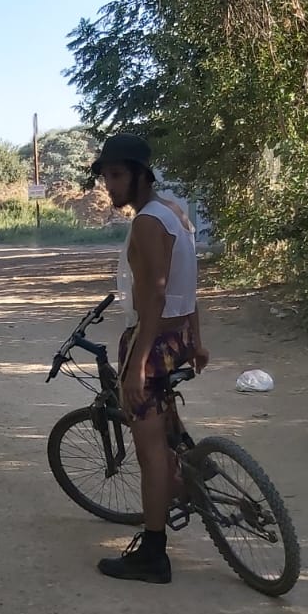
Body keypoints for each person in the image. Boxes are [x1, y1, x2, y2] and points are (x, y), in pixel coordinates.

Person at [92, 133, 208, 585]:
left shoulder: (146, 224)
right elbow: (187, 287)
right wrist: (196, 340)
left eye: (117, 175)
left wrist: (138, 363)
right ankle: (190, 476)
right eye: (106, 177)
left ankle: (154, 553)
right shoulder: (175, 214)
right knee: (165, 431)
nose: (110, 185)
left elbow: (155, 295)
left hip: (152, 340)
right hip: (177, 336)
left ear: (142, 174)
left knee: (149, 452)